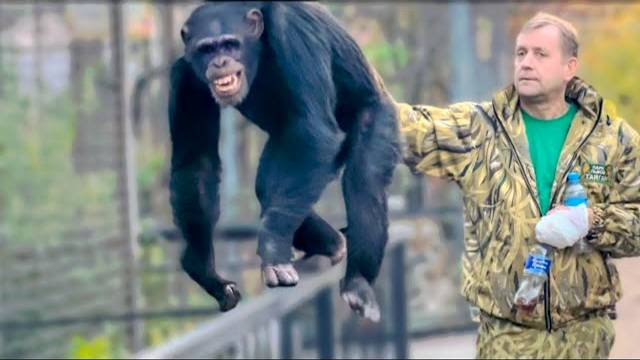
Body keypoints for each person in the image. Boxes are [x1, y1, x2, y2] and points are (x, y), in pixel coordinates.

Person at [395, 12, 640, 359]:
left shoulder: (612, 139)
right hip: (506, 340)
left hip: (585, 338)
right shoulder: (478, 130)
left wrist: (591, 222)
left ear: (570, 67)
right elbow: (403, 127)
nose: (526, 62)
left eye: (540, 54)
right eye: (520, 53)